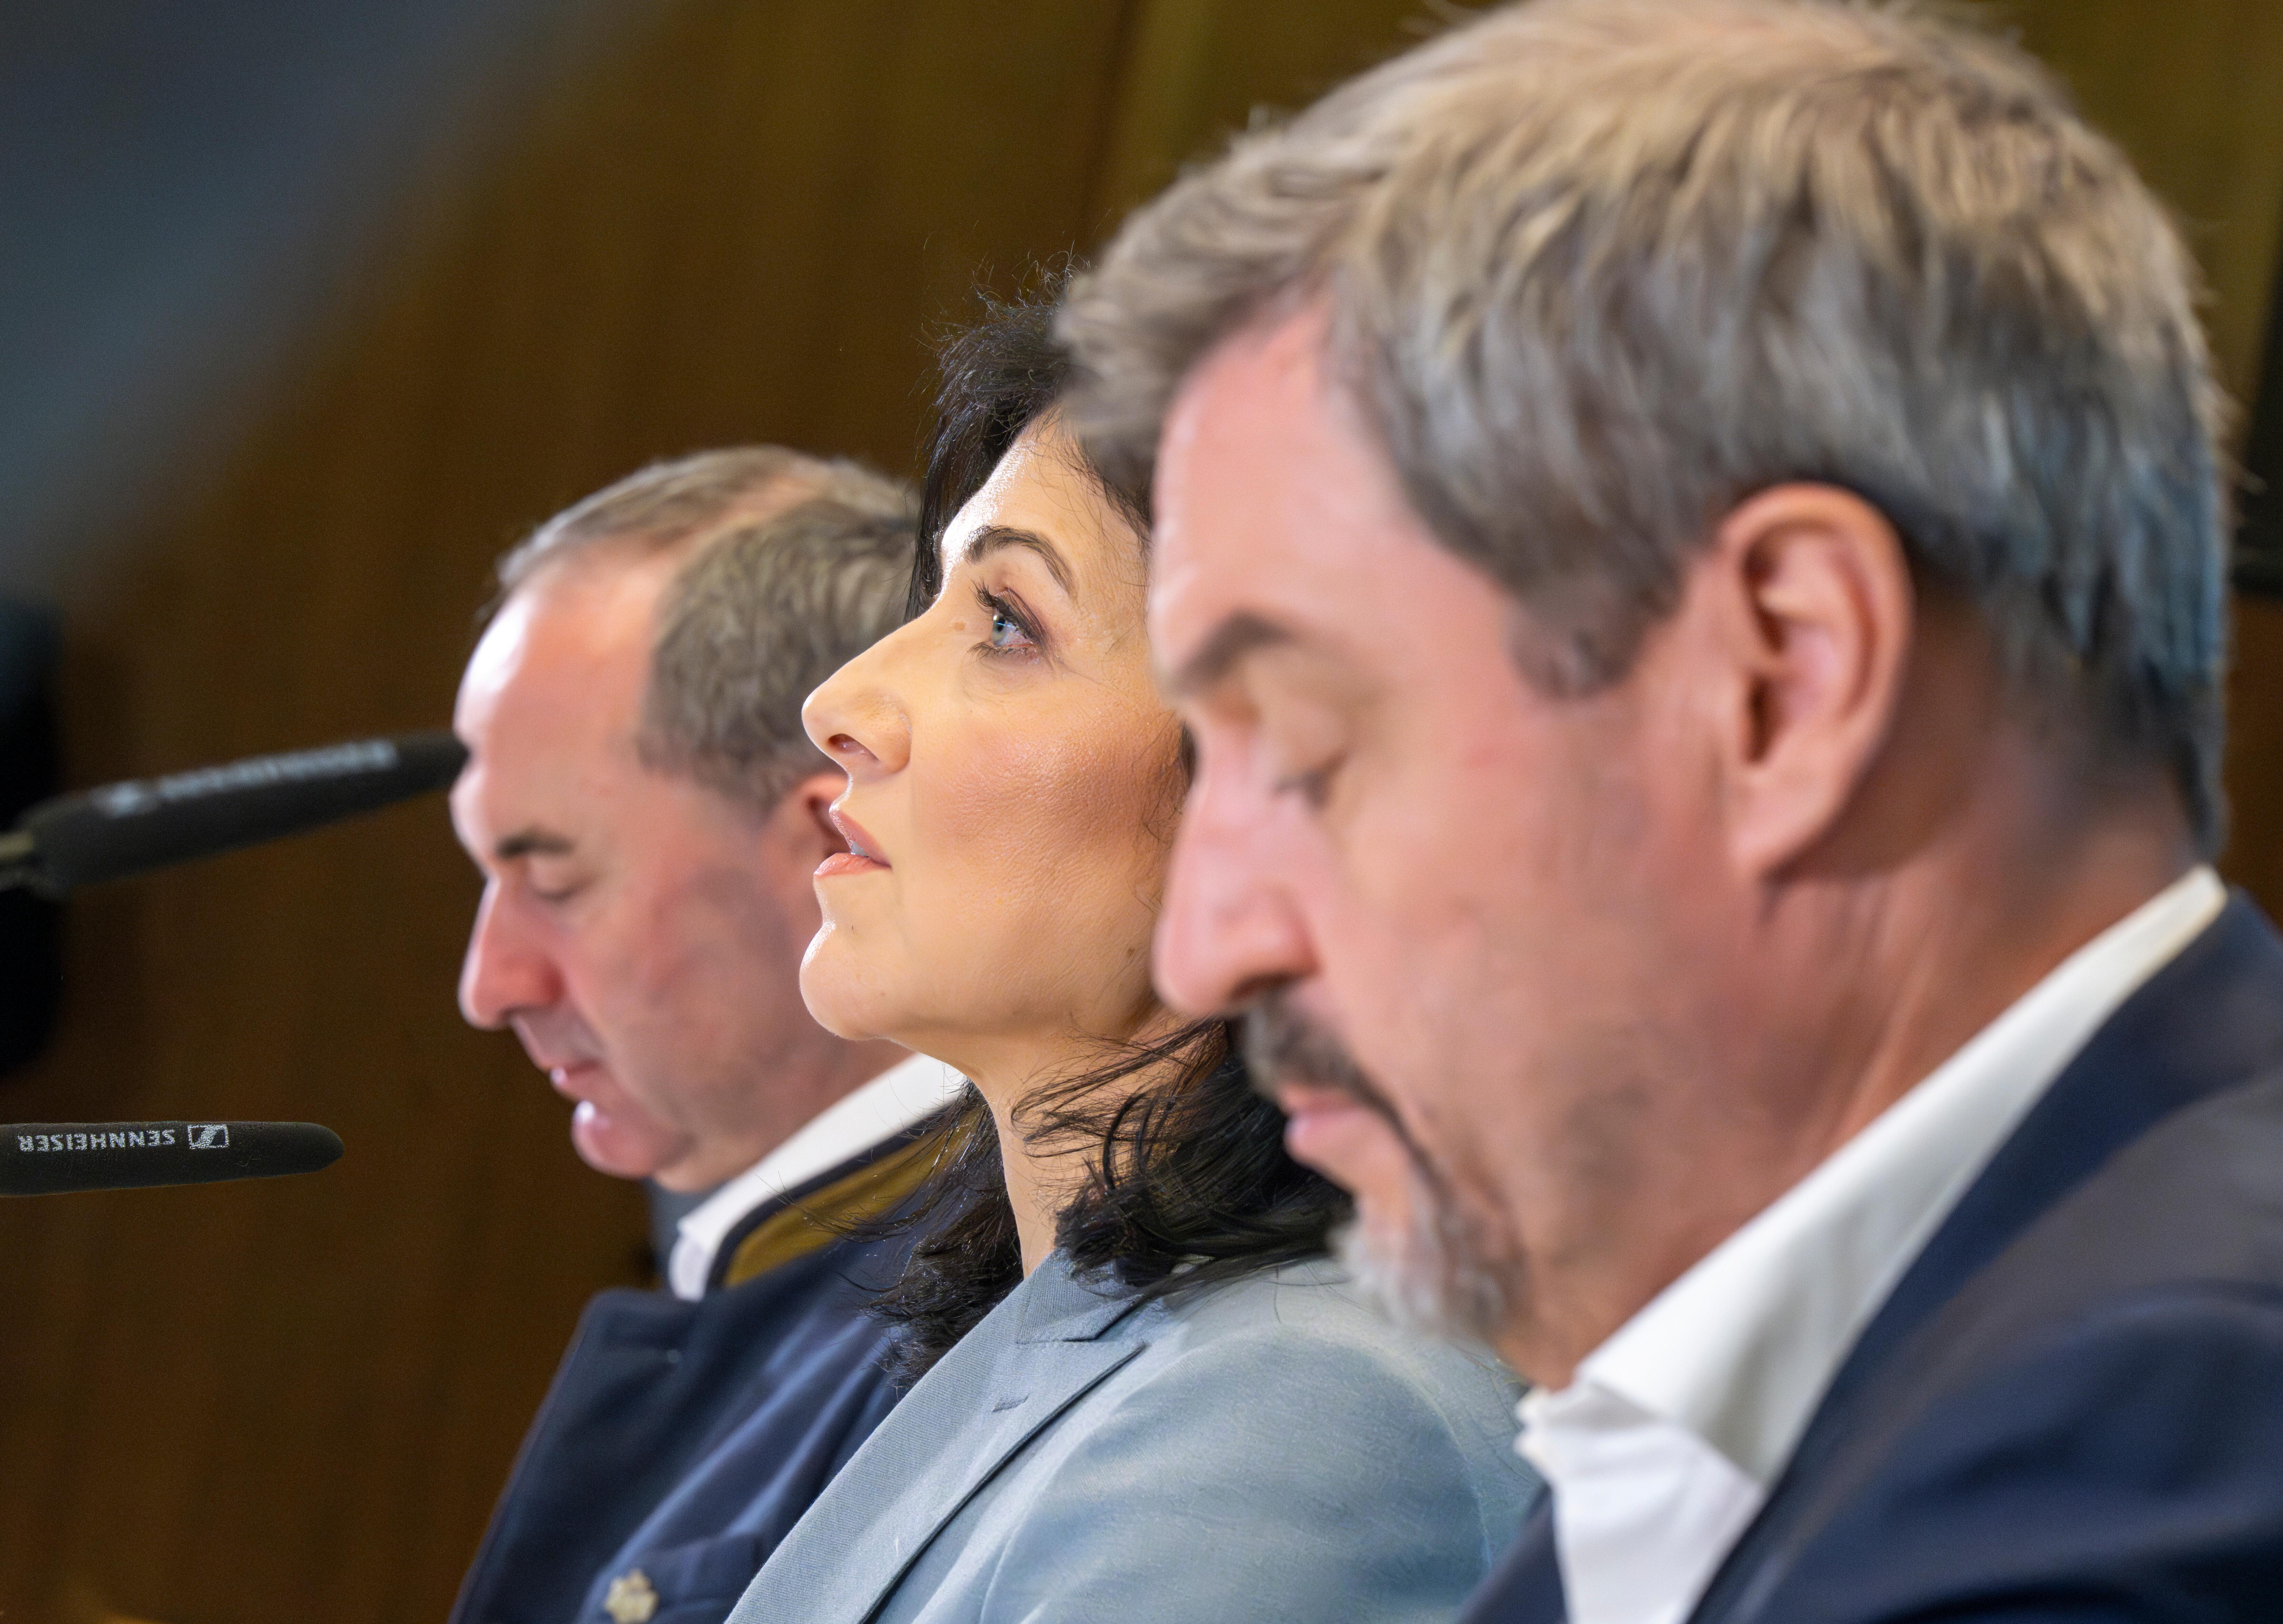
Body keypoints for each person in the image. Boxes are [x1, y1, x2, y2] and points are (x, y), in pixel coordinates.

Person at [1063, 1, 2283, 1620]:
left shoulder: (2136, 1508)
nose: (1205, 946)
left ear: (1784, 676)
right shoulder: (1818, 1382)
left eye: (1302, 748)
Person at [720, 295, 1538, 1624]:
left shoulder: (1313, 1430)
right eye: (941, 598)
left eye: (1007, 624)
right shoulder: (1121, 1343)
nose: (843, 704)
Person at [447, 448, 965, 1624]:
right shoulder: (818, 1275)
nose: (491, 985)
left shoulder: (977, 1333)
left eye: (556, 881)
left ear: (834, 841)